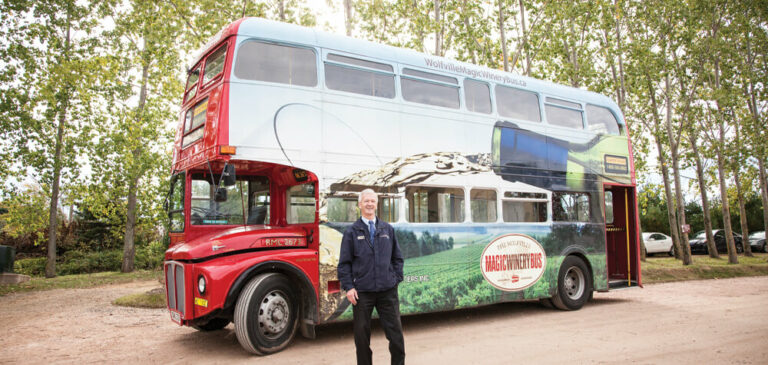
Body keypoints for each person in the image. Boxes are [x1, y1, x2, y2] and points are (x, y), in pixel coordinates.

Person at [338, 188, 405, 365]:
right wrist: (349, 287)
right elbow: (344, 264)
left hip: (387, 291)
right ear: (360, 204)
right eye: (366, 201)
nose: (369, 204)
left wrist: (395, 279)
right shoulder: (352, 232)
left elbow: (397, 258)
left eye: (372, 201)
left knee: (396, 335)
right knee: (361, 338)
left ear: (376, 204)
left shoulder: (387, 229)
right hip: (362, 293)